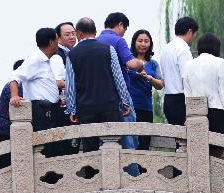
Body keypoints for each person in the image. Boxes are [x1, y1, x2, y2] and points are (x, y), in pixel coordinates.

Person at [65, 17, 132, 152]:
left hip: (86, 108)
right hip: (110, 106)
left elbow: (70, 86)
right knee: (112, 146)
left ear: (79, 33)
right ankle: (112, 173)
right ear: (95, 32)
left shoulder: (72, 54)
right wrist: (125, 102)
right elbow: (118, 78)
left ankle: (93, 173)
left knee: (90, 150)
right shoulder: (109, 49)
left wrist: (72, 109)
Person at [11, 28, 68, 156]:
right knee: (47, 149)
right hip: (42, 111)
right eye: (56, 40)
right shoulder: (35, 59)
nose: (58, 43)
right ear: (51, 42)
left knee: (54, 148)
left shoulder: (46, 60)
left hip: (50, 109)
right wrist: (14, 96)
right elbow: (15, 77)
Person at [97, 13, 143, 157]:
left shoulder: (96, 41)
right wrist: (141, 63)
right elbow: (131, 63)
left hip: (101, 98)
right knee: (128, 137)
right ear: (120, 25)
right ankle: (132, 175)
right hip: (120, 95)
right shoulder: (118, 41)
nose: (124, 32)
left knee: (106, 138)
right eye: (125, 28)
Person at [184, 33, 224, 154]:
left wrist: (188, 115)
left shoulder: (188, 65)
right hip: (217, 112)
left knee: (199, 152)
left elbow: (187, 93)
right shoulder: (220, 62)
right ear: (216, 47)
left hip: (196, 114)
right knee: (216, 153)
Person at [158, 16, 198, 126]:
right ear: (190, 31)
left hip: (168, 99)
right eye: (195, 34)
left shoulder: (166, 48)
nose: (194, 37)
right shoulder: (183, 49)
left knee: (178, 141)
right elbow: (186, 78)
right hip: (180, 101)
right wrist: (192, 109)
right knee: (187, 140)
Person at [127, 29, 163, 150]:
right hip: (129, 107)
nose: (143, 44)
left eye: (146, 41)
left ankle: (142, 169)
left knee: (144, 144)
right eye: (140, 41)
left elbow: (160, 85)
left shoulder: (153, 64)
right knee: (130, 143)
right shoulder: (127, 61)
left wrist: (149, 78)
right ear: (134, 42)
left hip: (146, 108)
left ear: (150, 44)